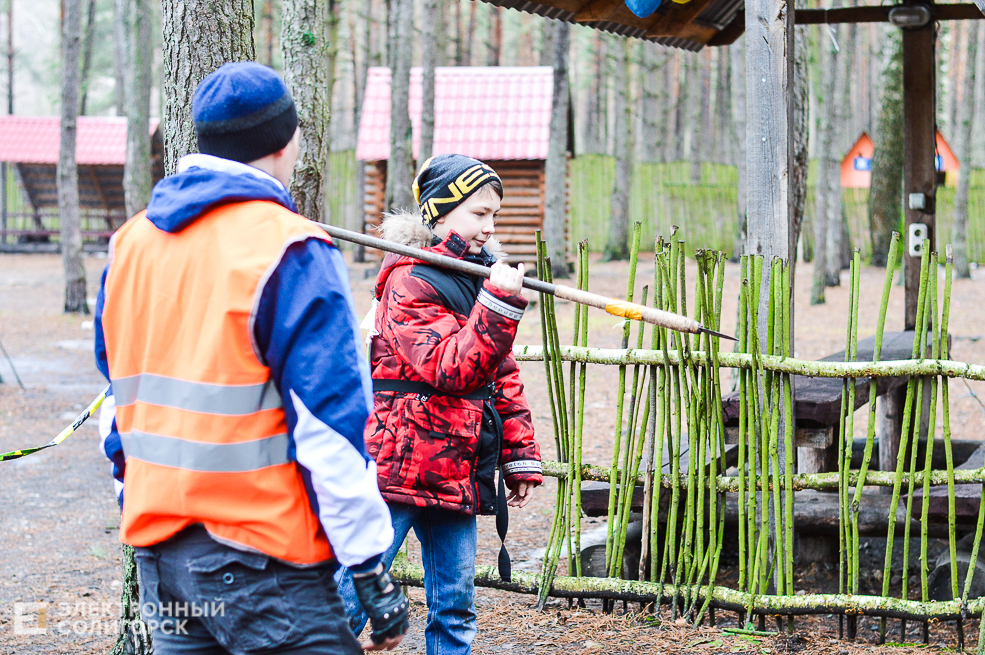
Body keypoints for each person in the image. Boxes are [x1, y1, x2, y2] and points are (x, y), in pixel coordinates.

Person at [94, 62, 409, 654]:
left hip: (163, 559)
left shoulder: (129, 245)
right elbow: (329, 426)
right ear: (288, 141)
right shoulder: (289, 246)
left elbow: (116, 405)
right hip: (267, 564)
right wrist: (368, 565)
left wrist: (140, 503)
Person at [336, 154, 544, 655]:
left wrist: (518, 454)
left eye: (494, 214)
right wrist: (498, 305)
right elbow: (452, 368)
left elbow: (501, 374)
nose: (489, 226)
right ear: (439, 212)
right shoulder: (411, 280)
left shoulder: (475, 275)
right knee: (355, 597)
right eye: (478, 214)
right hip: (402, 463)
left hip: (457, 465)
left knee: (455, 606)